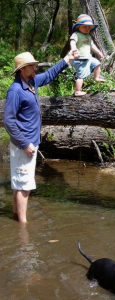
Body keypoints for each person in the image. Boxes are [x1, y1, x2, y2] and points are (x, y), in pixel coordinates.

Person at [3, 51, 73, 223]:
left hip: (27, 144)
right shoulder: (16, 90)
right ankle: (23, 228)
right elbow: (8, 120)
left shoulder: (31, 82)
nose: (36, 68)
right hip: (24, 146)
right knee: (24, 187)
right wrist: (25, 144)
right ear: (22, 69)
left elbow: (49, 74)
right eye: (32, 66)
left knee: (19, 184)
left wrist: (67, 59)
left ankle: (15, 216)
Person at [70, 14, 105, 97]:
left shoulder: (88, 36)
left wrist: (98, 52)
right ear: (78, 27)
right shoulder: (76, 34)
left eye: (89, 27)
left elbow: (92, 46)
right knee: (81, 75)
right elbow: (72, 42)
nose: (87, 29)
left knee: (97, 63)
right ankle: (77, 91)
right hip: (80, 59)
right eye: (85, 27)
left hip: (88, 57)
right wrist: (74, 51)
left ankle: (96, 77)